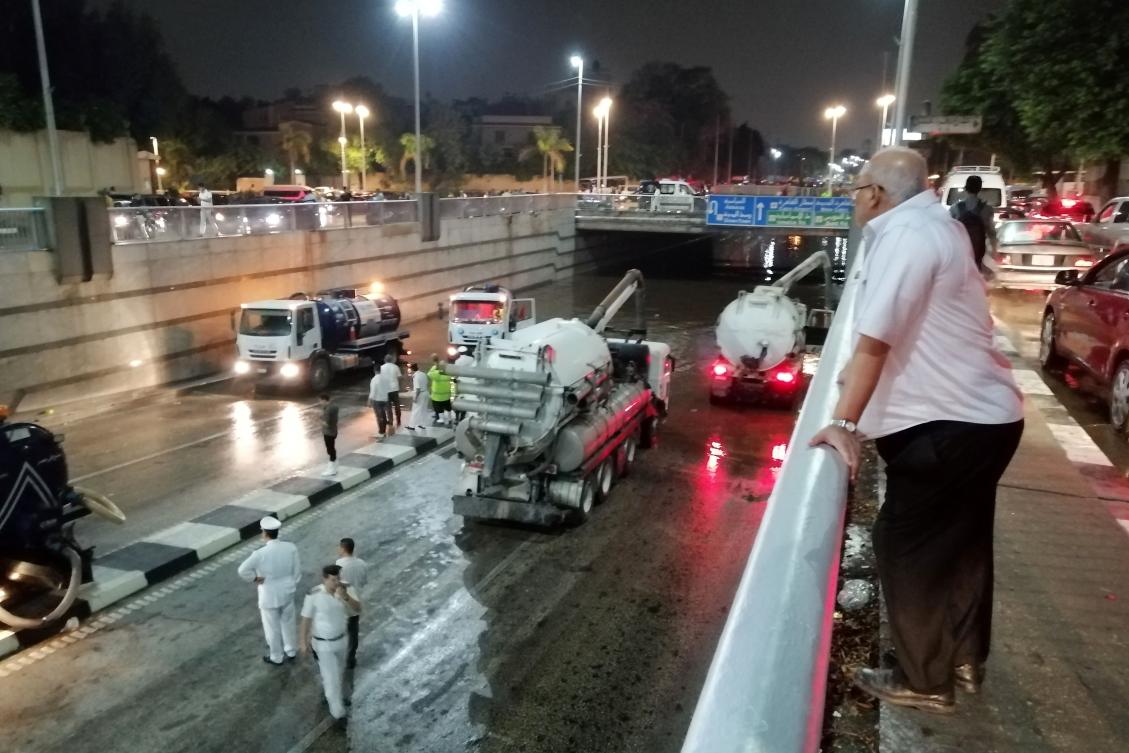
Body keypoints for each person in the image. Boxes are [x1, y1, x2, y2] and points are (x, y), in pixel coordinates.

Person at [811, 147, 1023, 714]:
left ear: (875, 194)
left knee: (904, 547)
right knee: (964, 542)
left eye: (855, 188)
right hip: (990, 419)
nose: (853, 198)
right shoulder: (942, 224)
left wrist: (842, 422)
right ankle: (963, 659)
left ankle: (925, 679)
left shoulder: (905, 238)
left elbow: (874, 341)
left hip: (946, 426)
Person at [299, 564, 360, 728]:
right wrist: (303, 642)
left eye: (338, 578)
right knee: (331, 677)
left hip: (341, 640)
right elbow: (306, 619)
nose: (337, 582)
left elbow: (358, 608)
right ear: (324, 578)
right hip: (323, 644)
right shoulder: (314, 595)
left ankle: (333, 697)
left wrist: (345, 596)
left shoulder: (345, 589)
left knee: (339, 673)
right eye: (333, 580)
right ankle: (338, 713)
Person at [237, 516, 302, 666]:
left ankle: (276, 656)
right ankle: (291, 650)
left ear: (264, 534)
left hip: (269, 595)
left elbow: (242, 570)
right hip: (287, 592)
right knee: (288, 622)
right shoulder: (291, 547)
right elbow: (297, 572)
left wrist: (254, 578)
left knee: (272, 628)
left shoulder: (259, 554)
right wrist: (291, 584)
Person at [949, 175, 996, 269]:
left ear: (966, 188)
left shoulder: (956, 208)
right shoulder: (987, 209)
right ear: (980, 188)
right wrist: (994, 250)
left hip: (960, 252)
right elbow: (991, 233)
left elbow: (948, 230)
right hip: (978, 252)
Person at [335, 538, 368, 669]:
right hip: (355, 602)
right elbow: (364, 582)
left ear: (343, 549)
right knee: (353, 631)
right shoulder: (362, 563)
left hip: (342, 601)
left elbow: (336, 583)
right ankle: (350, 657)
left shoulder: (339, 564)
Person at [427, 353, 454, 426]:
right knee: (448, 406)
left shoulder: (437, 374)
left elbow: (429, 374)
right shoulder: (449, 373)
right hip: (447, 394)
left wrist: (436, 366)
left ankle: (441, 419)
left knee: (438, 407)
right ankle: (449, 418)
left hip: (437, 395)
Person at [379, 353, 403, 432]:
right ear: (391, 360)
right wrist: (398, 385)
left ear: (385, 360)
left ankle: (391, 422)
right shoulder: (395, 367)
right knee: (397, 405)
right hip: (394, 389)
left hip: (386, 390)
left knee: (388, 407)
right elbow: (399, 377)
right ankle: (399, 420)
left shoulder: (381, 368)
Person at [406, 362, 430, 431]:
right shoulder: (423, 374)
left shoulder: (416, 377)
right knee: (423, 410)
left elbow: (418, 389)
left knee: (415, 410)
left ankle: (412, 426)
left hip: (420, 394)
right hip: (426, 392)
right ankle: (422, 424)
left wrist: (415, 398)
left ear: (412, 369)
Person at [320, 393, 339, 476]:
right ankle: (334, 463)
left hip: (328, 432)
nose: (320, 403)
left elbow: (327, 423)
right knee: (332, 448)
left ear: (324, 400)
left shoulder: (328, 410)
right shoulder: (334, 406)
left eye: (320, 401)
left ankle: (332, 468)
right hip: (334, 431)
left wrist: (321, 420)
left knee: (330, 449)